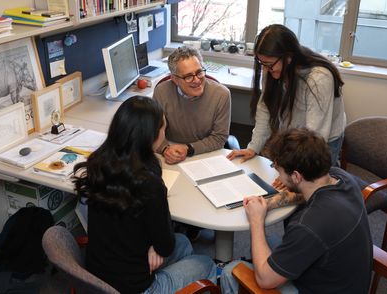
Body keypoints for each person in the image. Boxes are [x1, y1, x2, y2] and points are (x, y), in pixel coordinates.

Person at [73, 96, 216, 293]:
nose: (165, 133)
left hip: (99, 275)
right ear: (150, 136)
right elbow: (165, 246)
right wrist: (156, 247)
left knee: (182, 242)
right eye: (163, 128)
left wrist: (154, 245)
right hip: (136, 288)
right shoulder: (150, 185)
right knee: (206, 262)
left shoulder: (98, 163)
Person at [220, 128, 372, 294]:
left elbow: (265, 280)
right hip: (346, 280)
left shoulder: (307, 225)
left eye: (278, 169)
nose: (276, 172)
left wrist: (257, 220)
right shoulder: (341, 178)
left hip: (318, 288)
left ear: (296, 177)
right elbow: (303, 196)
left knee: (232, 271)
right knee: (270, 242)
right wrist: (269, 204)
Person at [227, 24, 346, 166]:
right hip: (294, 134)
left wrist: (295, 172)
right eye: (262, 63)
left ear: (289, 57)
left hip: (321, 141)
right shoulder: (272, 70)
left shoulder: (319, 78)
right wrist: (253, 148)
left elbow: (316, 135)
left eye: (269, 64)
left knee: (309, 183)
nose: (265, 69)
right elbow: (265, 109)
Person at [153, 46, 231, 165]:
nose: (196, 80)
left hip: (204, 154)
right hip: (170, 151)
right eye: (188, 76)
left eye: (199, 72)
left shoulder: (221, 95)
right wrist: (165, 149)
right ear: (174, 79)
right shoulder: (161, 92)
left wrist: (188, 149)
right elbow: (154, 131)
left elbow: (219, 138)